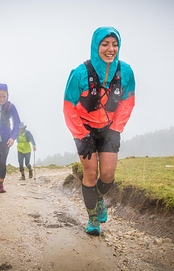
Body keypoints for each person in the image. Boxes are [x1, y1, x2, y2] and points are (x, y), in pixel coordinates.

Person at [63, 26, 136, 235]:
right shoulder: (79, 73)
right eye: (105, 44)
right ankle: (93, 218)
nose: (110, 49)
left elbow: (127, 102)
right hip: (84, 130)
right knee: (91, 172)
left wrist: (116, 129)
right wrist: (81, 135)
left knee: (107, 174)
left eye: (114, 44)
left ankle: (99, 198)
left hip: (109, 129)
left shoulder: (126, 72)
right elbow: (69, 107)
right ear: (96, 46)